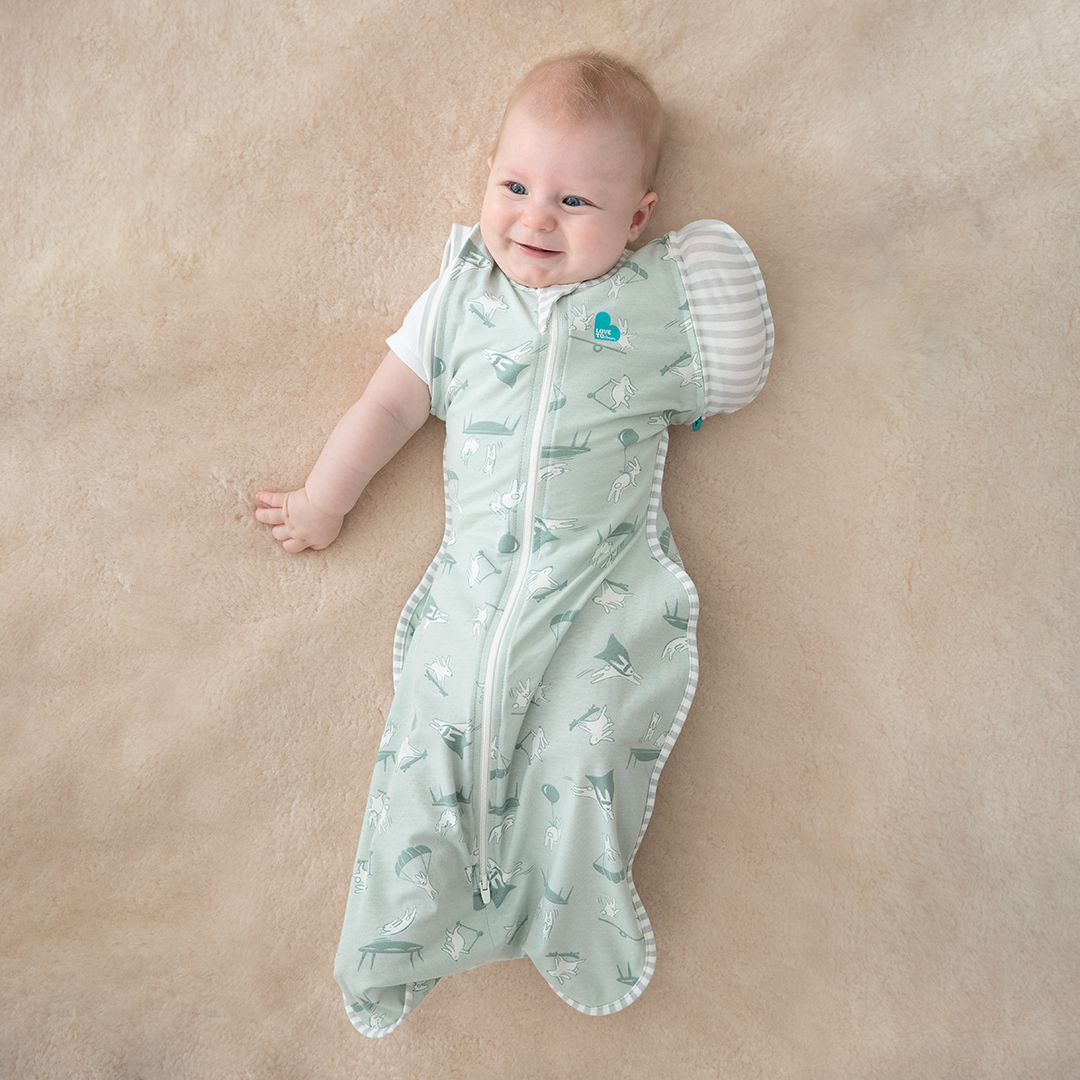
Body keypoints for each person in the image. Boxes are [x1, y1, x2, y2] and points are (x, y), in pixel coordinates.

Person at [256, 51, 773, 1038]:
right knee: (431, 739)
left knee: (585, 745)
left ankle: (569, 905)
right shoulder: (459, 299)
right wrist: (325, 499)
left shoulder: (654, 306)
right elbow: (388, 405)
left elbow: (736, 367)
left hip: (598, 593)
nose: (536, 219)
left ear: (637, 219)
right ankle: (395, 939)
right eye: (515, 187)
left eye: (575, 201)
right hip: (477, 594)